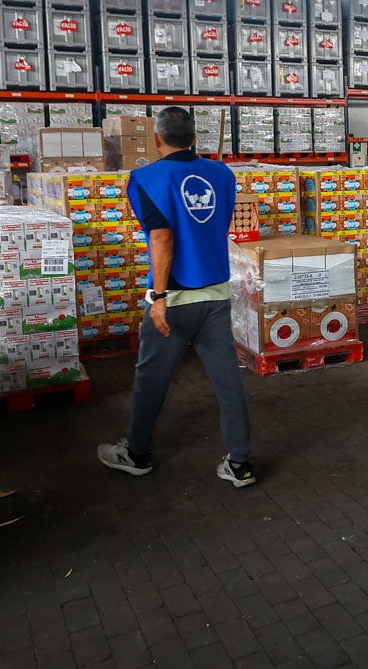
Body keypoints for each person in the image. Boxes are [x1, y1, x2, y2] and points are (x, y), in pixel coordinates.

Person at [98, 107, 256, 487]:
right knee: (227, 383)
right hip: (217, 294)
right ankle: (239, 463)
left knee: (151, 378)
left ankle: (136, 454)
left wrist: (157, 297)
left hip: (175, 299)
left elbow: (162, 238)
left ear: (156, 139)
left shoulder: (145, 179)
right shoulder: (222, 174)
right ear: (194, 138)